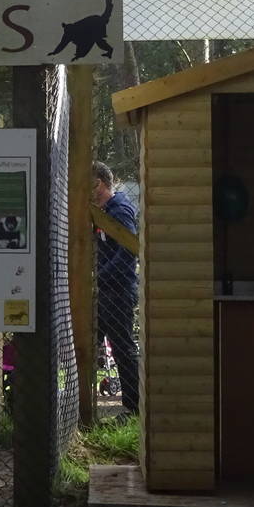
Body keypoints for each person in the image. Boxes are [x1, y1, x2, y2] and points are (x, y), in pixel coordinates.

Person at [93, 160, 140, 417]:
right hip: (106, 290)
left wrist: (98, 276)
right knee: (89, 341)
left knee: (122, 347)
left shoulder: (119, 209)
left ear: (98, 183)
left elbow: (128, 253)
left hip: (118, 290)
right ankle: (77, 403)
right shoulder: (102, 210)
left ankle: (133, 407)